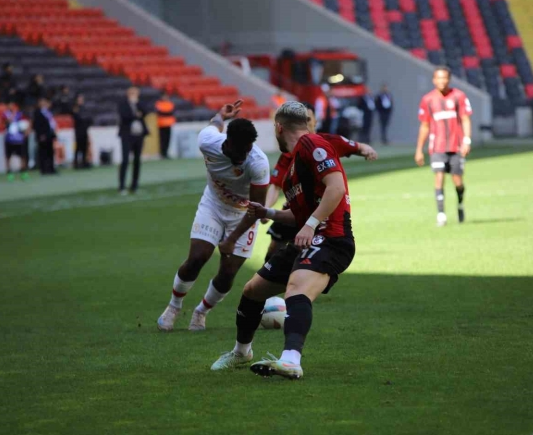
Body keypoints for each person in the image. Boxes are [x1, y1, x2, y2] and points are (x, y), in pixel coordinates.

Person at [210, 101, 355, 380]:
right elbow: (299, 215)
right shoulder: (293, 164)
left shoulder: (311, 142)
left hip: (332, 238)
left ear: (279, 127)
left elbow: (335, 188)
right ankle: (241, 352)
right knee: (253, 290)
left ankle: (291, 359)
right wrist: (271, 213)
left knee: (296, 288)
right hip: (311, 238)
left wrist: (311, 225)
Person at [156, 100, 270, 332]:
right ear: (227, 144)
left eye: (249, 148)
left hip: (243, 215)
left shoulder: (258, 163)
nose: (245, 154)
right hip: (213, 206)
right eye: (241, 150)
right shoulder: (208, 142)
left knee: (227, 273)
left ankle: (201, 312)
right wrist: (221, 114)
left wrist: (231, 239)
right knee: (198, 257)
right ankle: (173, 306)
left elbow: (256, 209)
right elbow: (215, 124)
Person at [263, 108, 377, 263]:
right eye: (304, 120)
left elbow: (356, 146)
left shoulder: (323, 142)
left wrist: (366, 150)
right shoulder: (288, 153)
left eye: (309, 120)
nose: (307, 124)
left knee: (309, 259)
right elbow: (275, 186)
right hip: (293, 210)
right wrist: (266, 210)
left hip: (320, 216)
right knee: (274, 252)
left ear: (316, 121)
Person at [414, 66, 473, 227]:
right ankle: (441, 214)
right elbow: (425, 125)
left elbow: (466, 119)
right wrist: (419, 149)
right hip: (437, 147)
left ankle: (460, 204)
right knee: (439, 177)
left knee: (457, 182)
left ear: (449, 79)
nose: (442, 81)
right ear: (434, 80)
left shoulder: (459, 96)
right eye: (438, 78)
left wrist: (467, 140)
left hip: (456, 147)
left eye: (444, 78)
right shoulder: (428, 100)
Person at [117, 86, 151, 194]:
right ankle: (122, 186)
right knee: (125, 160)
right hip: (127, 135)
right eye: (132, 92)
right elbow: (125, 116)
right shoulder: (123, 104)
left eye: (135, 92)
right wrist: (136, 114)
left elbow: (145, 111)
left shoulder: (139, 103)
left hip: (138, 135)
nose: (134, 94)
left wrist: (136, 104)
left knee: (137, 161)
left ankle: (134, 186)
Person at [4, 104, 30, 181]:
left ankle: (24, 172)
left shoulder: (20, 114)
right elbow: (5, 122)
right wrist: (12, 116)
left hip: (19, 140)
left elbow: (27, 122)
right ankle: (9, 173)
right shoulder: (6, 114)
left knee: (23, 156)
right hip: (9, 140)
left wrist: (26, 131)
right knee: (8, 157)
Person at [33, 96, 57, 175]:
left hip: (49, 135)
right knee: (43, 153)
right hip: (42, 136)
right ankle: (43, 169)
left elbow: (51, 124)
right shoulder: (37, 113)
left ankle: (51, 168)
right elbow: (36, 125)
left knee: (50, 152)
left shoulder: (48, 112)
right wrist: (40, 135)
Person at [72, 94, 91, 169]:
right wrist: (84, 119)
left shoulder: (84, 108)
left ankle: (84, 162)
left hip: (84, 130)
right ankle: (76, 163)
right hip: (78, 130)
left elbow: (89, 119)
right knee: (78, 147)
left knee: (84, 147)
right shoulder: (75, 108)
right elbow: (77, 118)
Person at [155, 92, 175, 159]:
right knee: (162, 139)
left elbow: (170, 112)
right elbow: (161, 112)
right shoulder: (159, 103)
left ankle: (166, 152)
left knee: (167, 139)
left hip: (168, 124)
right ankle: (162, 153)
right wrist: (166, 113)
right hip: (161, 124)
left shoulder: (169, 103)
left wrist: (165, 113)